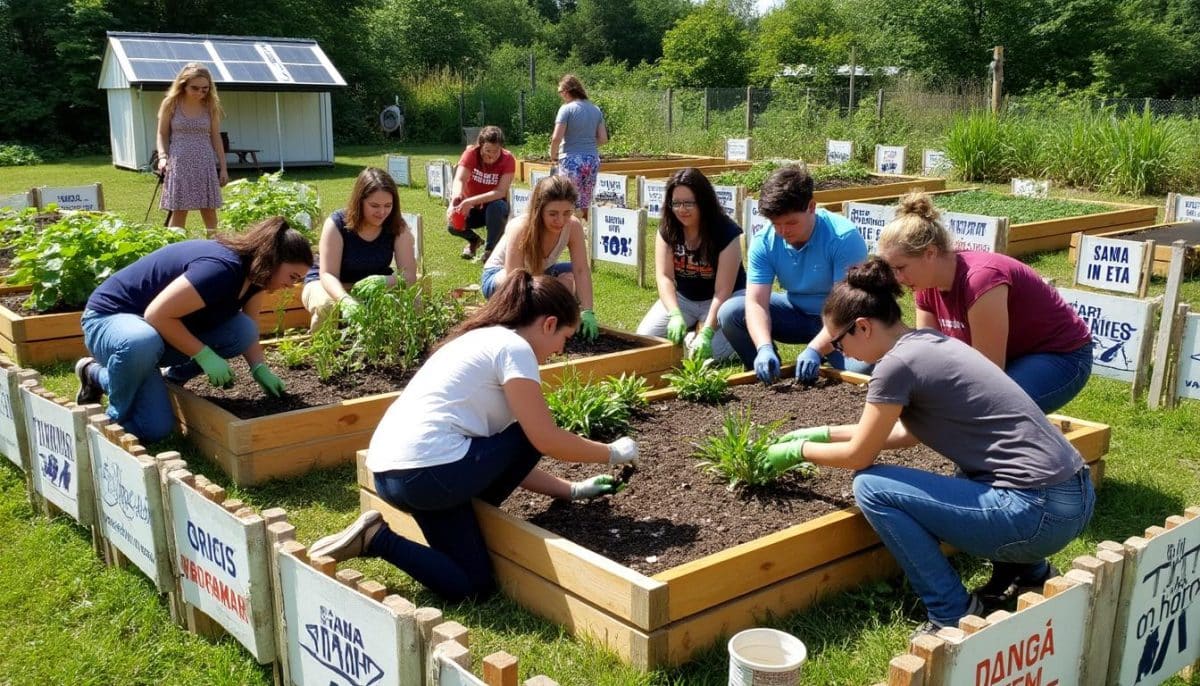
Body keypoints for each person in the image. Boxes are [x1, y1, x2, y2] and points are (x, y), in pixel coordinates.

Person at [765, 258, 1095, 636]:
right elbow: (909, 434)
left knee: (870, 487)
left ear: (863, 327)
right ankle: (1031, 572)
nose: (842, 353)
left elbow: (860, 456)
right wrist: (822, 432)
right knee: (969, 468)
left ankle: (951, 611)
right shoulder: (928, 342)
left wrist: (797, 452)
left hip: (1037, 513)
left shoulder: (894, 367)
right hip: (1074, 494)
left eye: (838, 343)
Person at [306, 271, 640, 602]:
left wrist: (572, 490)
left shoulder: (480, 338)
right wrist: (612, 452)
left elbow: (495, 458)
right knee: (530, 430)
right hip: (431, 475)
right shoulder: (515, 348)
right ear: (549, 324)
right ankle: (452, 512)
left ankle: (376, 538)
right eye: (564, 339)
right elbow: (542, 439)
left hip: (398, 476)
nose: (560, 350)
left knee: (472, 584)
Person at [74, 217, 313, 442]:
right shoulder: (220, 269)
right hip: (112, 320)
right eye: (292, 276)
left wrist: (259, 368)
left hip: (154, 334)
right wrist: (204, 354)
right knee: (142, 348)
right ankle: (115, 415)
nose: (290, 285)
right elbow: (156, 314)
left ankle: (119, 376)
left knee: (155, 429)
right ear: (272, 260)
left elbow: (249, 328)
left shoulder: (256, 279)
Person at [876, 192, 1093, 413]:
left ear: (930, 253)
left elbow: (988, 374)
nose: (897, 279)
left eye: (900, 268)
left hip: (1061, 356)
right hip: (1011, 355)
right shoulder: (924, 284)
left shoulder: (981, 281)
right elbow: (929, 355)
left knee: (989, 411)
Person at [717, 165, 870, 384]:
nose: (783, 231)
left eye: (790, 222)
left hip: (840, 322)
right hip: (795, 314)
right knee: (732, 312)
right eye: (776, 224)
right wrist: (763, 346)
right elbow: (756, 303)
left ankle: (825, 354)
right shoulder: (764, 242)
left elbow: (846, 308)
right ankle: (765, 371)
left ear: (811, 207)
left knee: (865, 370)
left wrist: (815, 349)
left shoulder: (843, 238)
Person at [636, 168, 746, 362]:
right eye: (676, 203)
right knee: (645, 338)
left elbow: (723, 290)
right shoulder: (668, 229)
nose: (682, 209)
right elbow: (664, 277)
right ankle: (690, 328)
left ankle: (741, 335)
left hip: (724, 301)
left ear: (703, 202)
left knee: (707, 355)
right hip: (685, 299)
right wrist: (674, 313)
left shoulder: (727, 232)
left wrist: (708, 331)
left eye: (689, 203)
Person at [480, 175, 600, 341]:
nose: (560, 220)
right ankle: (545, 316)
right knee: (563, 284)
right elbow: (514, 280)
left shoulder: (573, 226)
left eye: (567, 213)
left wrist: (588, 311)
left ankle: (558, 312)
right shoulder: (520, 227)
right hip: (503, 279)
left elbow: (581, 270)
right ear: (539, 210)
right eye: (553, 214)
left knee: (572, 276)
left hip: (539, 272)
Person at [301, 167, 418, 330]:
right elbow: (327, 274)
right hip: (327, 282)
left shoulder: (397, 226)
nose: (382, 212)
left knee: (414, 301)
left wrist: (384, 281)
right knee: (325, 306)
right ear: (359, 201)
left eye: (388, 205)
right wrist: (345, 300)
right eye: (374, 205)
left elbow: (409, 276)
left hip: (369, 284)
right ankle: (326, 352)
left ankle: (400, 351)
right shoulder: (337, 224)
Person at [156, 62, 228, 231]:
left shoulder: (211, 105)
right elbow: (161, 133)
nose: (200, 93)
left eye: (205, 89)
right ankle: (174, 251)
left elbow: (216, 137)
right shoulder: (171, 103)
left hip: (205, 163)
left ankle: (214, 251)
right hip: (179, 162)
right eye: (195, 88)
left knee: (209, 210)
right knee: (180, 210)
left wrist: (223, 168)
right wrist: (162, 157)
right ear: (183, 85)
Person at [447, 126, 516, 262]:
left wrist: (470, 201)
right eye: (487, 151)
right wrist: (454, 202)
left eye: (496, 152)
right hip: (472, 208)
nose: (491, 156)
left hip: (494, 208)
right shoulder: (471, 154)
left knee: (497, 207)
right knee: (452, 225)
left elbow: (500, 191)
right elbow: (459, 179)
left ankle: (490, 250)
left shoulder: (508, 159)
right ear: (480, 145)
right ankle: (474, 241)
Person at [549, 75, 607, 220]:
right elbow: (603, 139)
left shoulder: (566, 109)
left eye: (560, 92)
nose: (561, 95)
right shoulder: (595, 109)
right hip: (592, 159)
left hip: (571, 159)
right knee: (586, 200)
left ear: (568, 90)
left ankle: (570, 231)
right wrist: (587, 145)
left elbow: (556, 138)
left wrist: (553, 155)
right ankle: (587, 232)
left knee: (568, 198)